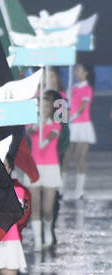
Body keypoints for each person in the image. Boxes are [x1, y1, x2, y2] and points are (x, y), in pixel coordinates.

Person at [27, 91, 62, 251]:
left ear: (51, 108)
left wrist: (45, 140)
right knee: (35, 204)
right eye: (41, 106)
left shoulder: (56, 123)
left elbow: (53, 134)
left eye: (47, 106)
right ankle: (38, 239)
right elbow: (30, 132)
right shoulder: (31, 122)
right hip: (34, 166)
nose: (44, 108)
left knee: (47, 208)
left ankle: (48, 229)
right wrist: (36, 125)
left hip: (51, 166)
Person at [67, 63, 94, 199]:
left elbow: (83, 107)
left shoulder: (87, 88)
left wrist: (72, 117)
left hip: (82, 126)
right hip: (72, 126)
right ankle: (59, 189)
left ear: (85, 73)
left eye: (78, 70)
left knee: (80, 158)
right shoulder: (72, 88)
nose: (76, 73)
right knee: (66, 157)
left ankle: (79, 190)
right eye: (75, 70)